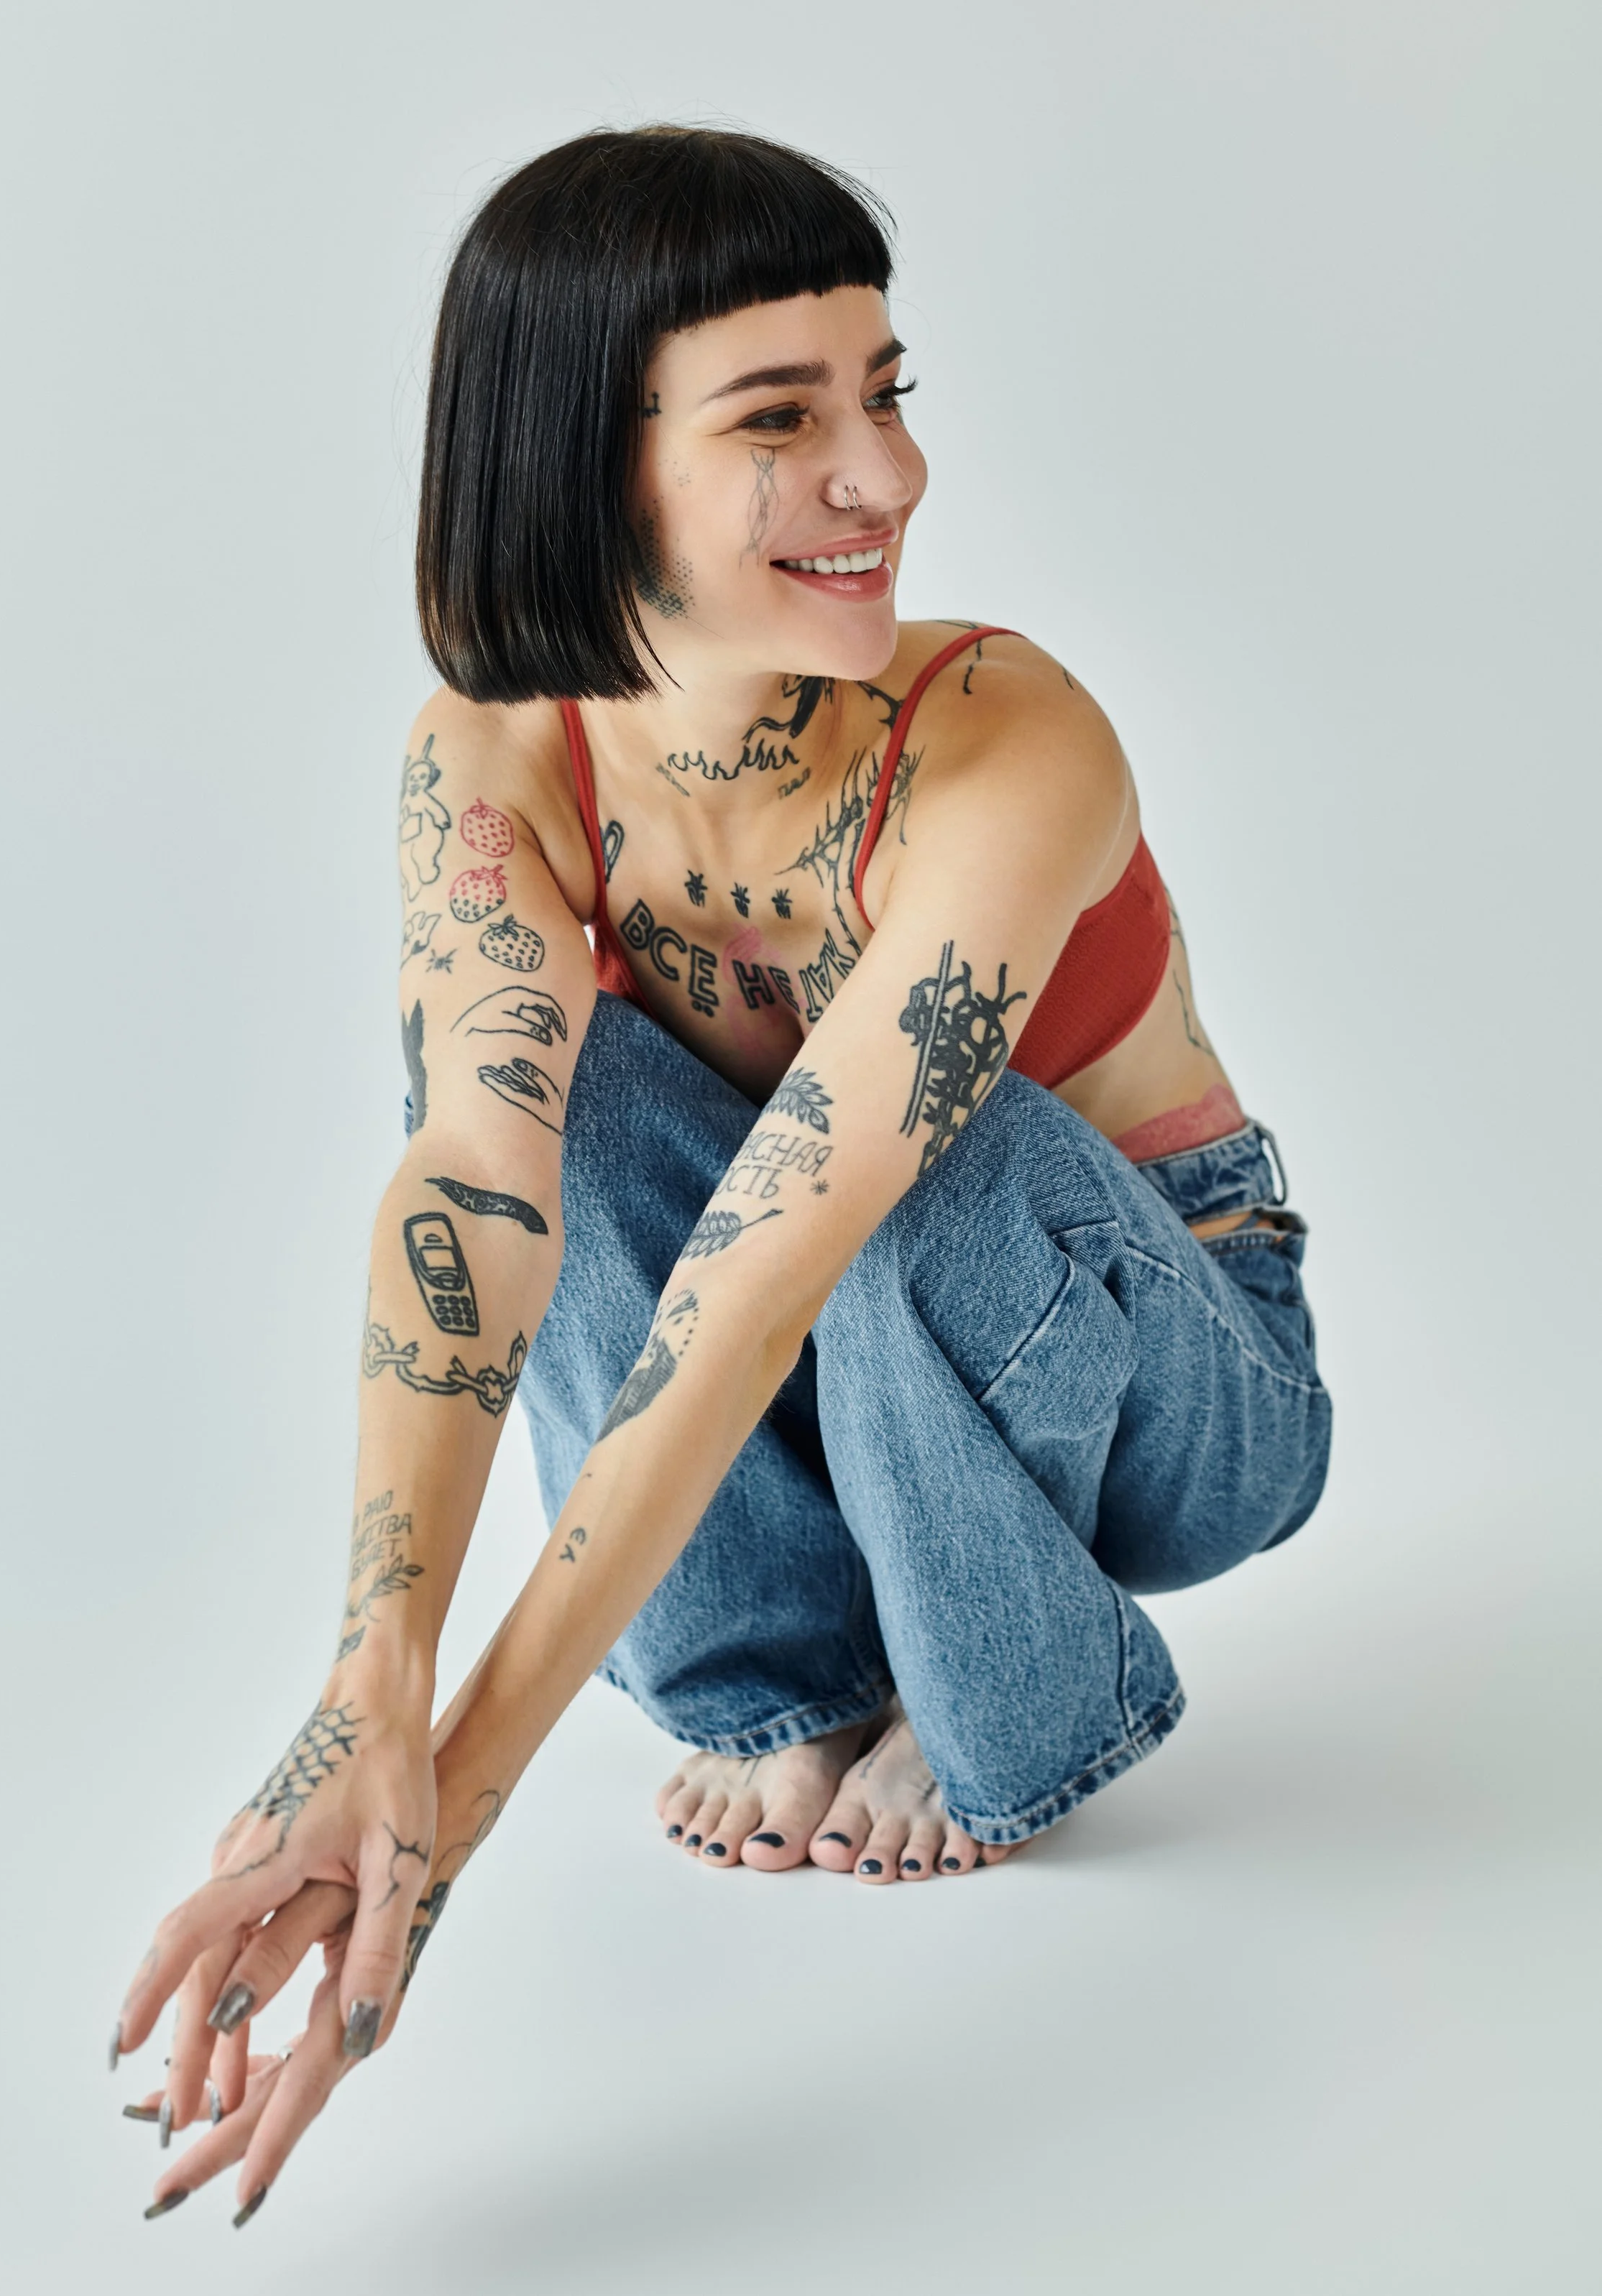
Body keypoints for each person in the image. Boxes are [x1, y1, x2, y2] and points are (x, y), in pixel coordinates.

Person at [111, 124, 1331, 2225]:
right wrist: (364, 1704)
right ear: (585, 463)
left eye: (885, 393)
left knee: (918, 1156)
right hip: (841, 1358)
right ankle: (794, 1679)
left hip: (1174, 1371)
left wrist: (443, 1827)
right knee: (552, 1099)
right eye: (782, 419)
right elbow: (477, 1194)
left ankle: (1017, 1686)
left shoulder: (1004, 738)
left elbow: (772, 1266)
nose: (887, 475)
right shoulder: (497, 755)